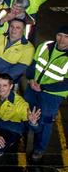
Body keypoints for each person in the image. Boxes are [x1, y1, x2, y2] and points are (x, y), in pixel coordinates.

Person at [24, 26, 68, 160]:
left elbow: (65, 83)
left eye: (66, 37)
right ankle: (24, 135)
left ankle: (39, 149)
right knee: (27, 113)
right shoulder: (45, 46)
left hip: (53, 95)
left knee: (45, 121)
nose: (62, 40)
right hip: (33, 86)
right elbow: (33, 65)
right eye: (60, 35)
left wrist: (42, 88)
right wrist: (31, 79)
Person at [0, 19, 34, 86]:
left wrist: (0, 76)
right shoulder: (0, 37)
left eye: (18, 28)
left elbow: (20, 67)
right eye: (12, 26)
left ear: (23, 30)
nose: (14, 30)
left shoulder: (28, 48)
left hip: (6, 81)